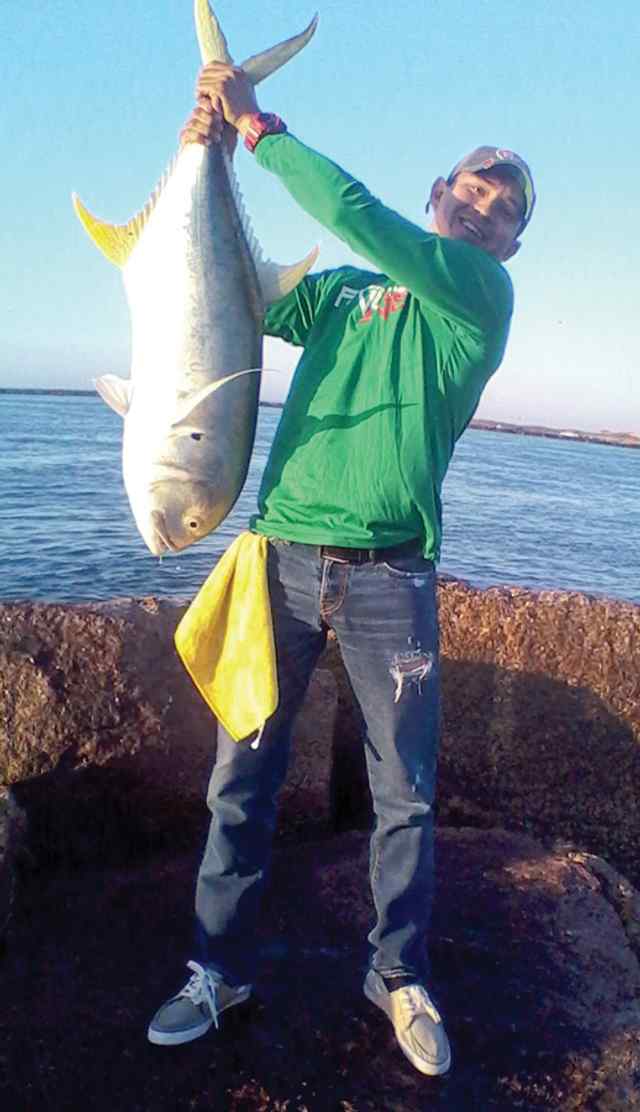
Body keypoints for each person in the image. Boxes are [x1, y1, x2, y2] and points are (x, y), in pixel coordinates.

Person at [147, 63, 535, 1077]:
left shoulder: (477, 298)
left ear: (508, 243)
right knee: (242, 775)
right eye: (472, 191)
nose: (483, 211)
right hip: (276, 560)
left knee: (403, 790)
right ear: (439, 194)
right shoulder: (343, 295)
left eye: (503, 211)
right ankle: (215, 966)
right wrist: (205, 150)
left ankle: (397, 973)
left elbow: (357, 212)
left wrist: (261, 130)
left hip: (389, 578)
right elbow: (227, 298)